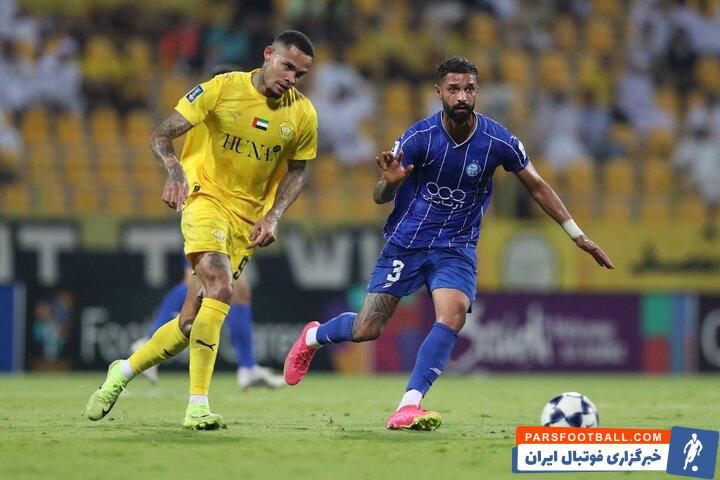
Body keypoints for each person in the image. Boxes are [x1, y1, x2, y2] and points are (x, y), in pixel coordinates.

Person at [284, 57, 614, 431]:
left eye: (469, 89)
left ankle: (408, 405)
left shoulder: (498, 141)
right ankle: (313, 336)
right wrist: (389, 183)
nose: (462, 96)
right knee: (366, 329)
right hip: (406, 244)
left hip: (456, 247)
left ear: (477, 92)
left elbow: (537, 186)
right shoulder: (418, 137)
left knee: (453, 313)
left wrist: (577, 235)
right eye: (454, 89)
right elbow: (379, 196)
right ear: (438, 91)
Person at [86, 30, 317, 430]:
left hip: (246, 223)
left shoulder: (302, 114)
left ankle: (121, 372)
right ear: (268, 54)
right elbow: (161, 135)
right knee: (222, 288)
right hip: (204, 199)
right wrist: (174, 170)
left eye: (300, 74)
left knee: (188, 325)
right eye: (287, 67)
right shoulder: (222, 89)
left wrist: (274, 215)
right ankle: (197, 405)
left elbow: (299, 170)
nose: (291, 78)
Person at [130, 264, 284, 389]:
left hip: (225, 235)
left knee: (239, 290)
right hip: (209, 234)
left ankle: (248, 366)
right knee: (195, 279)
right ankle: (148, 342)